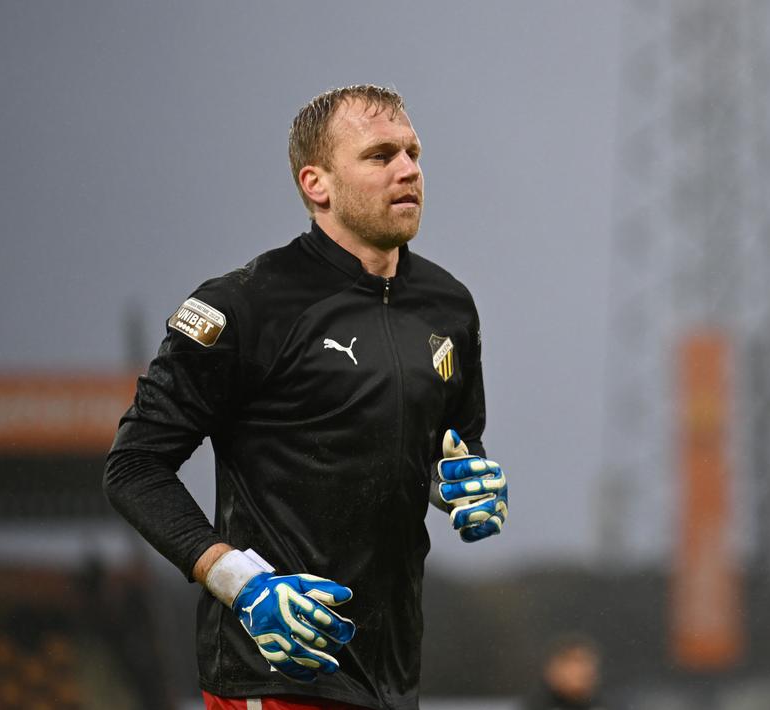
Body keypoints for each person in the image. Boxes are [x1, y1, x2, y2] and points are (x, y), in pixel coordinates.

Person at [103, 84, 508, 710]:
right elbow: (133, 466)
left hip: (392, 678)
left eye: (413, 153)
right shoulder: (244, 305)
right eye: (380, 156)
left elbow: (449, 450)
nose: (408, 170)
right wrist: (239, 582)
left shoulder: (449, 306)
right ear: (316, 184)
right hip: (276, 670)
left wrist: (462, 486)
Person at [521, 635, 606, 710]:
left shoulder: (607, 706)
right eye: (575, 661)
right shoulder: (523, 707)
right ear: (552, 669)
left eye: (588, 662)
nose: (584, 670)